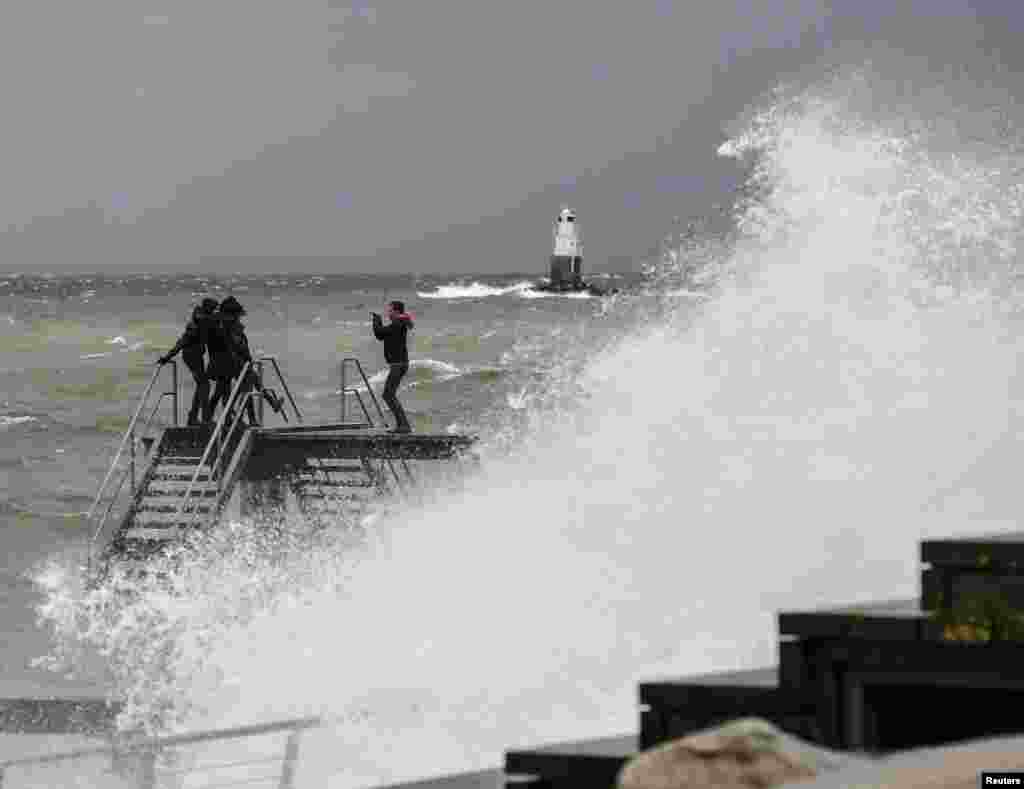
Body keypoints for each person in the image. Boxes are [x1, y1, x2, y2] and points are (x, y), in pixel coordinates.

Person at [158, 298, 219, 426]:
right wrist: (168, 357)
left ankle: (193, 417)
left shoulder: (204, 320)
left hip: (197, 356)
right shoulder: (195, 325)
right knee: (204, 385)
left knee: (201, 385)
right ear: (207, 309)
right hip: (191, 357)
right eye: (213, 309)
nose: (214, 311)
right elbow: (181, 343)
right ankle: (205, 418)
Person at [371, 300, 414, 433]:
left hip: (398, 364)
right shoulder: (398, 323)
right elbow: (381, 335)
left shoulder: (398, 323)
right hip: (398, 364)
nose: (388, 313)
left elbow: (379, 332)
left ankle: (404, 425)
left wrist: (377, 319)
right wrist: (377, 321)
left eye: (389, 311)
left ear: (396, 311)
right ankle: (403, 425)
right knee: (389, 394)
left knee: (388, 395)